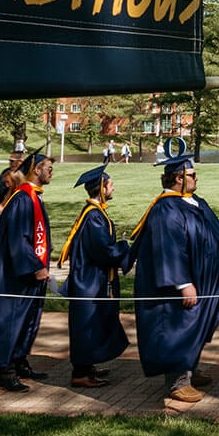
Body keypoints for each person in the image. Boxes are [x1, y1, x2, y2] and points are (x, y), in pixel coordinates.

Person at [129, 152, 219, 403]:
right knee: (179, 329)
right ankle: (177, 382)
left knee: (194, 327)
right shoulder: (166, 209)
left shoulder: (192, 201)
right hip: (180, 286)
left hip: (203, 279)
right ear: (177, 178)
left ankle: (190, 369)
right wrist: (183, 283)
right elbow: (169, 249)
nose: (197, 178)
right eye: (192, 175)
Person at [0, 152, 55, 393]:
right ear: (35, 170)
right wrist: (36, 266)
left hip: (31, 272)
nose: (51, 172)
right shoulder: (22, 199)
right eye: (47, 167)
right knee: (12, 320)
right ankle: (7, 372)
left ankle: (20, 360)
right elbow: (17, 240)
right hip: (18, 275)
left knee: (28, 320)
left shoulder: (32, 197)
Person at [59, 165, 131, 388]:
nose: (113, 187)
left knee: (93, 323)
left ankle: (87, 365)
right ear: (101, 188)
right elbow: (103, 251)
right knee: (86, 326)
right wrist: (125, 247)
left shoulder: (94, 213)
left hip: (91, 278)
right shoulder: (93, 217)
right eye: (110, 184)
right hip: (89, 281)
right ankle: (80, 373)